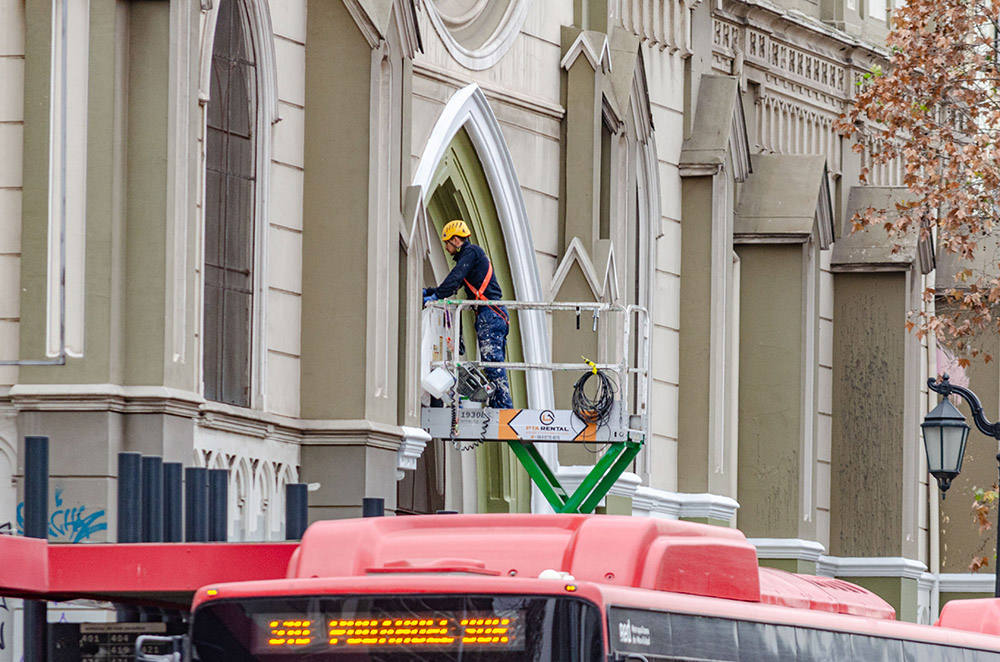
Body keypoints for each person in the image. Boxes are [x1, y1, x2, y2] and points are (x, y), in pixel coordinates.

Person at [423, 220, 513, 409]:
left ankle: (504, 408)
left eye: (447, 243)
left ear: (456, 240)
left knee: (492, 363)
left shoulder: (471, 252)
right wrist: (431, 291)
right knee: (491, 364)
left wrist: (435, 296)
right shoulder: (473, 257)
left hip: (490, 314)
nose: (446, 248)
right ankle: (499, 404)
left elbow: (455, 278)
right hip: (492, 314)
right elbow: (454, 284)